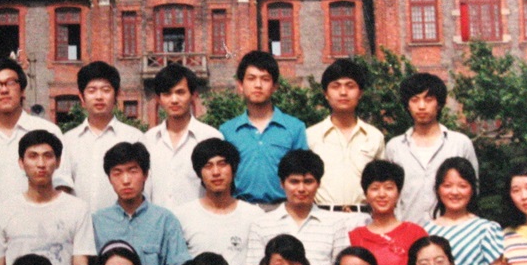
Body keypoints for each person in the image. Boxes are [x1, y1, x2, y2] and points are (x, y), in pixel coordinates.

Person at [0, 130, 95, 265]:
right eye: (33, 156)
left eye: (48, 156)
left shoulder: (78, 209)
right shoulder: (3, 212)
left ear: (58, 162)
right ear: (21, 163)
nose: (41, 164)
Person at [92, 142, 190, 265]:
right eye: (117, 173)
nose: (126, 180)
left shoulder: (165, 220)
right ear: (109, 178)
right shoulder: (97, 222)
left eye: (133, 171)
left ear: (145, 174)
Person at [0, 59, 68, 211]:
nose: (4, 90)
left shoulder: (49, 131)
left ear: (22, 90)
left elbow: (62, 185)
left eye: (11, 83)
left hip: (41, 222)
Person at [248, 149, 348, 265]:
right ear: (282, 183)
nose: (301, 189)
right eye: (294, 182)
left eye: (308, 182)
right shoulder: (261, 224)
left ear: (318, 183)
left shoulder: (335, 224)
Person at [385, 73, 478, 224]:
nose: (421, 106)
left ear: (439, 104)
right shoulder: (395, 147)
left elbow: (473, 190)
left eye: (428, 100)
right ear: (407, 105)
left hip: (451, 230)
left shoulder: (460, 143)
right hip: (407, 229)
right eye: (415, 100)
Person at [220, 51, 307, 207]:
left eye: (265, 79)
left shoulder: (295, 128)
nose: (258, 85)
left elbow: (302, 175)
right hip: (240, 208)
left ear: (274, 86)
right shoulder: (227, 131)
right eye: (251, 78)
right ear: (240, 85)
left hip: (283, 209)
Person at [173, 139, 259, 265]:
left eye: (222, 164)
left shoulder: (253, 215)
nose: (216, 172)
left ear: (233, 169)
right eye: (208, 166)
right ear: (199, 173)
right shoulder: (182, 216)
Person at [306, 59, 385, 228]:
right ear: (326, 93)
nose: (343, 92)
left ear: (360, 93)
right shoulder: (310, 136)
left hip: (364, 220)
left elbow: (382, 183)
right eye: (336, 86)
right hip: (321, 219)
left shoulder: (374, 136)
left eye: (350, 86)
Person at [61, 61, 143, 212]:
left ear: (116, 95)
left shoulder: (134, 138)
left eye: (106, 90)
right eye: (92, 91)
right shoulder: (68, 141)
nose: (99, 97)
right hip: (79, 223)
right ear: (82, 97)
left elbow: (144, 189)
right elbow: (62, 189)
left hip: (122, 223)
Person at [141, 64, 222, 211]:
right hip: (158, 223)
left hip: (197, 222)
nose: (174, 100)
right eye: (167, 94)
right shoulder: (148, 141)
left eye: (180, 92)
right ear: (158, 99)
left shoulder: (210, 137)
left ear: (193, 95)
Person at [349, 160, 427, 265]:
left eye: (389, 188)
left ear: (398, 193)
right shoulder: (354, 237)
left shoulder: (415, 233)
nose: (382, 194)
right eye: (375, 188)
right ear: (366, 194)